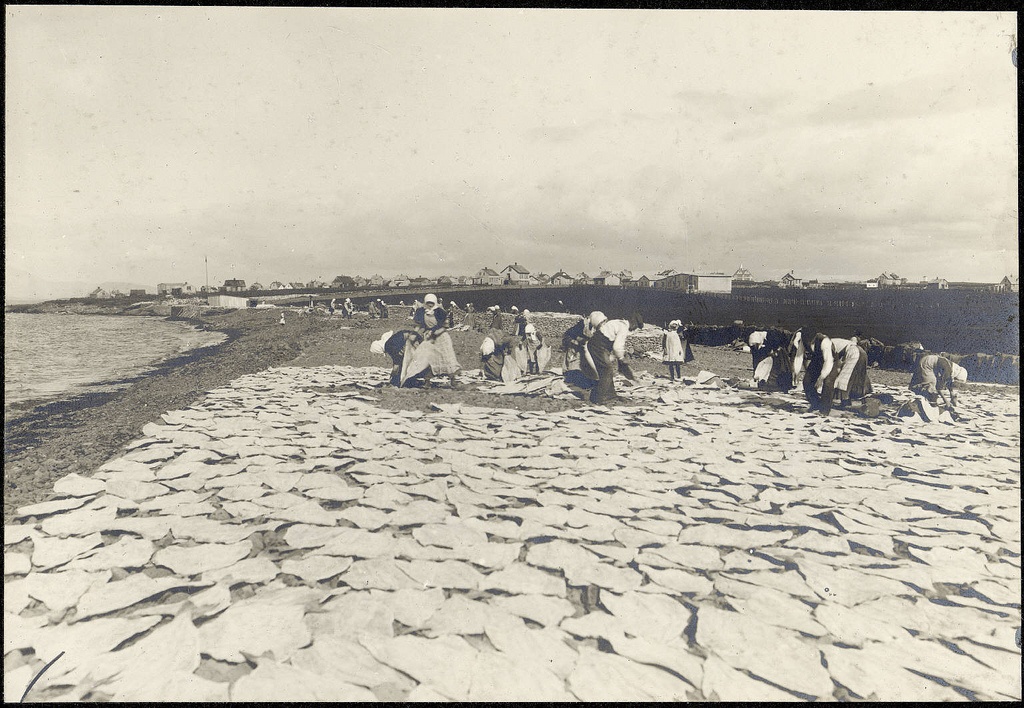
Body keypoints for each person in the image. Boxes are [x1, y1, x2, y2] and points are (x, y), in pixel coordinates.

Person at [403, 294, 463, 389]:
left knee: (447, 358)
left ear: (435, 303)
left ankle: (453, 380)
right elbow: (420, 326)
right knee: (426, 357)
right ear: (425, 303)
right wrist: (414, 334)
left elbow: (444, 327)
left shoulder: (440, 312)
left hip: (441, 338)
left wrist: (435, 333)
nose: (430, 305)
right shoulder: (421, 311)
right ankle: (427, 381)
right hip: (429, 337)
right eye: (428, 303)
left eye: (432, 303)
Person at [586, 310, 643, 405]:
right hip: (598, 345)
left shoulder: (617, 322)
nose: (633, 330)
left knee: (606, 370)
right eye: (635, 327)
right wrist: (621, 358)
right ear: (633, 324)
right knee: (606, 370)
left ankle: (609, 395)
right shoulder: (624, 327)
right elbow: (617, 347)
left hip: (597, 344)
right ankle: (601, 398)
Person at [831, 335, 873, 408]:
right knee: (855, 376)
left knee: (845, 378)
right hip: (861, 353)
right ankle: (853, 398)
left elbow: (836, 361)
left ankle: (845, 400)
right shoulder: (838, 342)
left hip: (854, 352)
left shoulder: (829, 344)